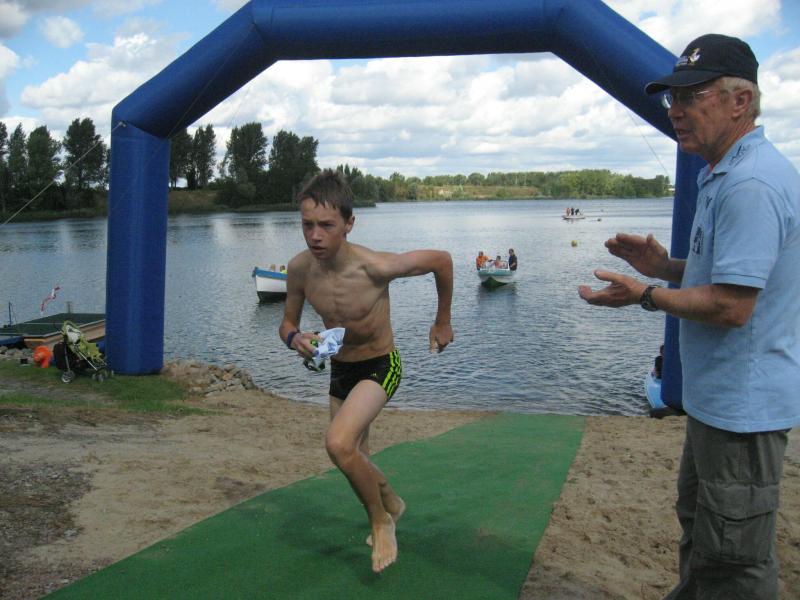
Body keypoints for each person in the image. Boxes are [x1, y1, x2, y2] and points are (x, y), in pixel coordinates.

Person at [578, 34, 800, 599]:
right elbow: (726, 278)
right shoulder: (724, 172)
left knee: (734, 560)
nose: (675, 110)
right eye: (671, 97)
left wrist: (645, 294)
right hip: (717, 403)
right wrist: (664, 266)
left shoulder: (751, 184)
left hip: (741, 411)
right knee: (703, 533)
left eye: (690, 96)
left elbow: (732, 305)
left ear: (740, 101)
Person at [279, 169, 454, 574]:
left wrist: (442, 321)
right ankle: (390, 499)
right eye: (307, 225)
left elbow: (442, 261)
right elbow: (287, 322)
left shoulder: (374, 266)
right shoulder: (300, 269)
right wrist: (296, 339)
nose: (315, 236)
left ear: (349, 224)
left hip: (380, 365)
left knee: (338, 444)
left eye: (326, 225)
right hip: (340, 368)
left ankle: (381, 520)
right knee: (353, 458)